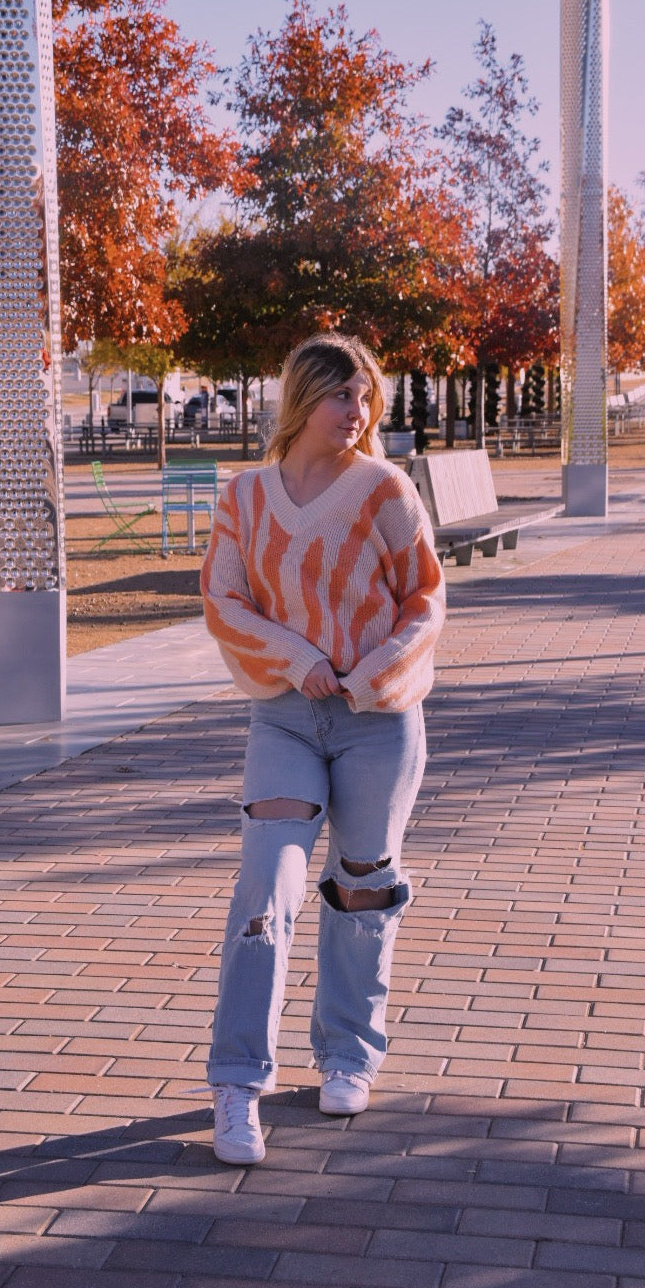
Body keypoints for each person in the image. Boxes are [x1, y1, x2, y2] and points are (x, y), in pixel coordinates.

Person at [200, 332, 446, 1165]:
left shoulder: (384, 489)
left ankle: (348, 1053)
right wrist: (300, 662)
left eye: (366, 395)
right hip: (283, 717)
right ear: (302, 399)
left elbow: (425, 599)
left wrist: (374, 671)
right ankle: (238, 1086)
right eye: (342, 394)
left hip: (379, 719)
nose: (358, 410)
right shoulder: (244, 496)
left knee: (363, 887)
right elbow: (225, 603)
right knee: (267, 888)